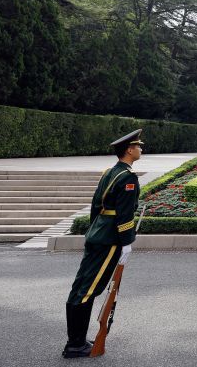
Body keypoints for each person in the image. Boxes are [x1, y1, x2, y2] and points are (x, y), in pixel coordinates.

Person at [63, 129, 144, 358]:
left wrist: (94, 230)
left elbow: (96, 205)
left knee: (81, 287)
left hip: (98, 233)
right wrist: (126, 242)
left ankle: (76, 339)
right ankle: (75, 344)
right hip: (110, 238)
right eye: (138, 146)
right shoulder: (127, 177)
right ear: (129, 150)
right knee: (88, 290)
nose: (141, 149)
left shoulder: (109, 172)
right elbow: (124, 214)